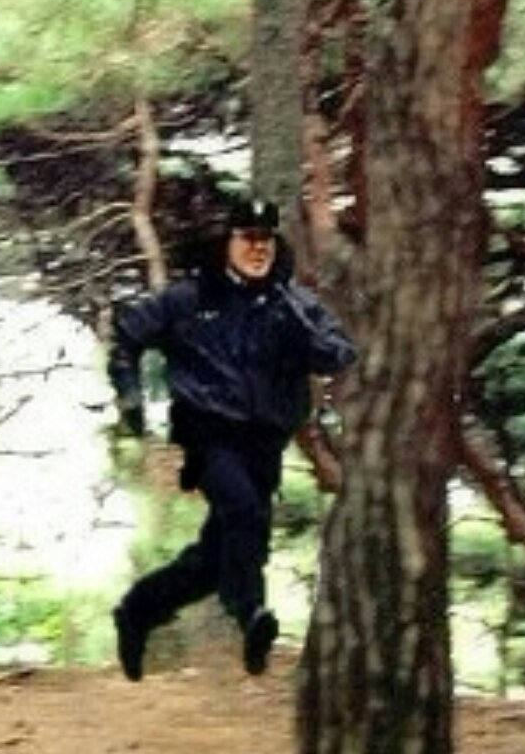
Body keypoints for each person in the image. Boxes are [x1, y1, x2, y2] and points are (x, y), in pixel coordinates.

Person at [107, 198, 356, 678]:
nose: (258, 249)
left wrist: (302, 329)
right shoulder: (191, 297)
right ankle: (250, 613)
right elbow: (127, 335)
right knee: (244, 513)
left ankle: (138, 610)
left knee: (217, 557)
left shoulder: (292, 304)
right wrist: (131, 397)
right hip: (205, 434)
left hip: (264, 443)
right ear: (228, 242)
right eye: (247, 239)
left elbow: (339, 355)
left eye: (266, 240)